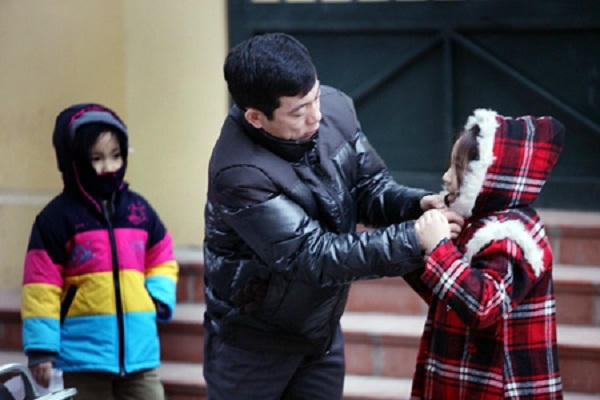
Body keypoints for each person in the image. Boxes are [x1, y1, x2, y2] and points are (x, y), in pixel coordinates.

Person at [203, 32, 463, 400]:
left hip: (319, 332)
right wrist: (412, 239)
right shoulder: (239, 172)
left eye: (315, 96)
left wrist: (416, 205)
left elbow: (369, 187)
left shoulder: (335, 108)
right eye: (299, 111)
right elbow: (312, 255)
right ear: (256, 118)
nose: (317, 115)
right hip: (252, 345)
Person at [21, 103, 179, 400]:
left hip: (139, 355)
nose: (109, 167)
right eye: (96, 158)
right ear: (74, 161)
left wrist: (157, 297)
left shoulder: (138, 211)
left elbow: (162, 256)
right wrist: (41, 348)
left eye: (116, 155)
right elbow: (41, 287)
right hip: (83, 356)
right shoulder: (56, 219)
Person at [410, 108, 564, 399]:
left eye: (459, 168)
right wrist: (419, 247)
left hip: (498, 385)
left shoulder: (512, 235)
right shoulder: (477, 223)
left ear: (490, 175)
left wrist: (440, 248)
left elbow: (483, 305)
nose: (446, 177)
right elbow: (446, 297)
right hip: (459, 375)